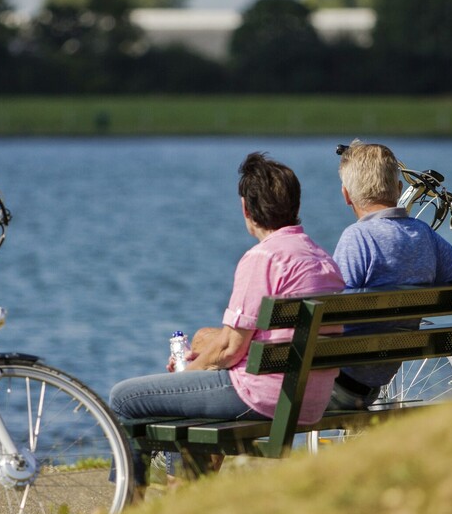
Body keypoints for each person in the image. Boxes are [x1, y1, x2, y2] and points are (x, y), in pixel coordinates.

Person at [110, 152, 344, 489]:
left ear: (246, 210)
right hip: (311, 398)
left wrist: (185, 375)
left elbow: (230, 351)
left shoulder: (262, 258)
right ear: (294, 205)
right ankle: (184, 493)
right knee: (200, 359)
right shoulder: (323, 259)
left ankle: (128, 507)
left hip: (262, 396)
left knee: (124, 398)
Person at [330, 140, 452, 409]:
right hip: (370, 386)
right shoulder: (424, 236)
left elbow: (330, 316)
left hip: (333, 386)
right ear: (399, 188)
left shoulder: (356, 239)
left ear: (346, 195)